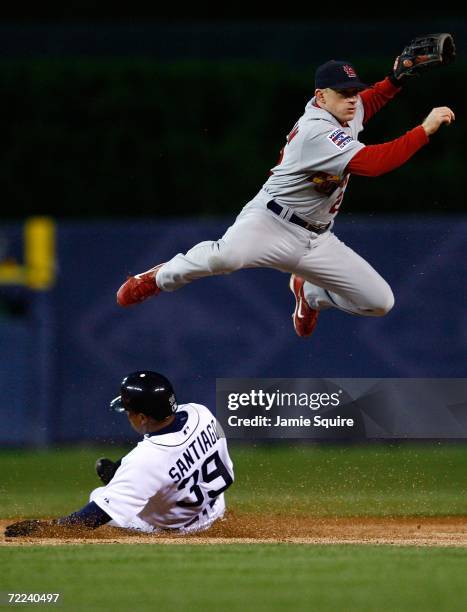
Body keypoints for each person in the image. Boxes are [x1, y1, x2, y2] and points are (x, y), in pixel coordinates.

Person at [116, 57, 455, 338]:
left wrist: (394, 79)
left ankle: (311, 293)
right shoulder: (317, 130)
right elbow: (375, 164)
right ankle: (157, 278)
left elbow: (369, 103)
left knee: (380, 302)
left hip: (317, 238)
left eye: (355, 91)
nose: (353, 98)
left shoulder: (345, 111)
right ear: (320, 97)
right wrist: (424, 130)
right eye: (344, 93)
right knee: (226, 258)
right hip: (271, 222)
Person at [5, 371, 234, 537]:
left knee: (99, 495)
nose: (128, 416)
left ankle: (126, 485)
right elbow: (184, 456)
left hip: (177, 527)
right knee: (144, 475)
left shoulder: (147, 460)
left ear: (143, 417)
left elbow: (97, 514)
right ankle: (125, 481)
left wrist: (51, 528)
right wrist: (125, 470)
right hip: (213, 507)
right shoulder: (201, 413)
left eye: (130, 412)